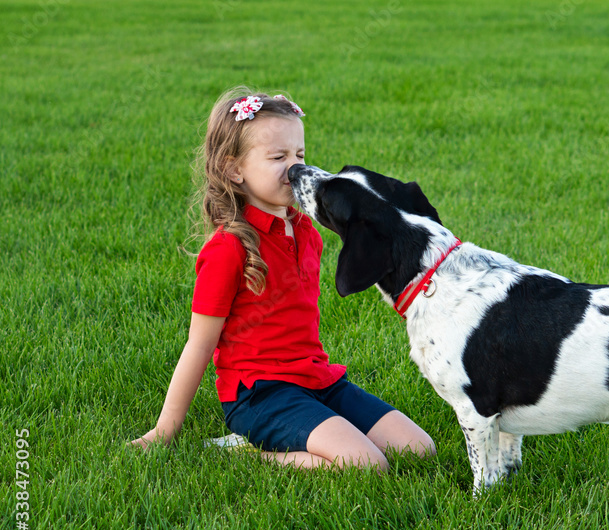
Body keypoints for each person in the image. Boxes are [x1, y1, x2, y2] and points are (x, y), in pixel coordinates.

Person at [131, 87, 434, 470]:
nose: (295, 168)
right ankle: (249, 448)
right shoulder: (228, 249)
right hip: (260, 395)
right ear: (233, 169)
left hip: (318, 379)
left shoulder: (306, 229)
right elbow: (199, 345)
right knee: (366, 465)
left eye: (300, 155)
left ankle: (309, 426)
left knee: (419, 449)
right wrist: (162, 432)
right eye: (278, 157)